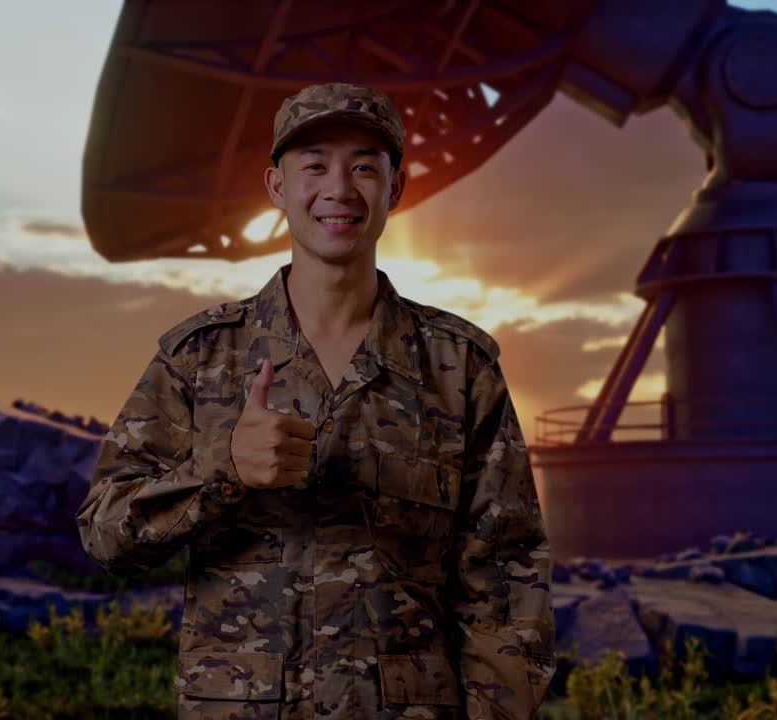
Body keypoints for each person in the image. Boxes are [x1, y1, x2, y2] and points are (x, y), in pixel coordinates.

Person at [75, 82, 555, 719]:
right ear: (277, 187)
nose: (339, 188)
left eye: (363, 165)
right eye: (314, 164)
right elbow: (105, 535)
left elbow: (504, 581)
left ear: (396, 188)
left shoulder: (458, 369)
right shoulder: (200, 358)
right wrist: (222, 471)